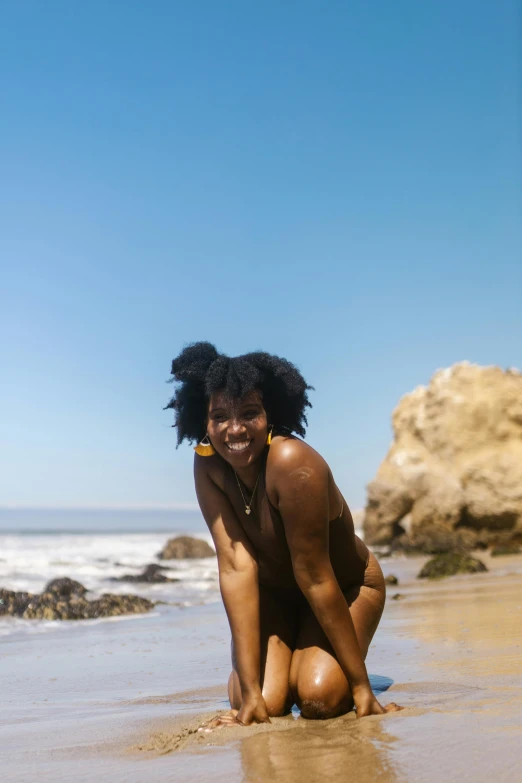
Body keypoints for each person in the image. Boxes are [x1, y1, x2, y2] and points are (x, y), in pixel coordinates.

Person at [165, 342, 400, 726]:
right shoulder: (208, 464)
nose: (235, 429)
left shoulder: (292, 463)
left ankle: (331, 668)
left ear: (271, 414)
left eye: (250, 413)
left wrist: (362, 691)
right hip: (277, 599)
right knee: (264, 705)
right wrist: (251, 696)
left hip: (344, 588)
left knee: (318, 698)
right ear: (203, 420)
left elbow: (315, 575)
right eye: (219, 416)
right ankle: (278, 667)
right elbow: (236, 567)